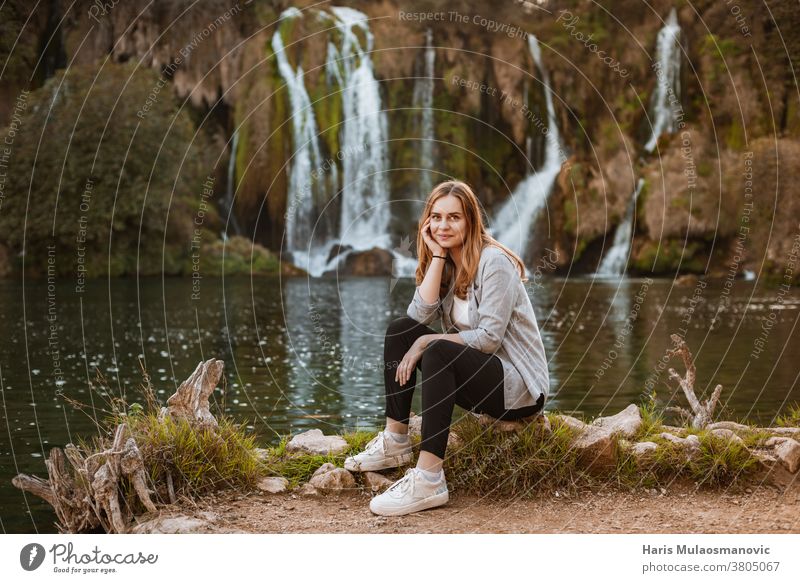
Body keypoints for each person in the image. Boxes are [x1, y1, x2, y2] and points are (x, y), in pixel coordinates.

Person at [344, 180, 550, 516]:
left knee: (436, 348)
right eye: (436, 217)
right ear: (426, 222)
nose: (443, 225)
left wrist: (428, 340)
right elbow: (416, 318)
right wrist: (437, 254)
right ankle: (396, 441)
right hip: (481, 379)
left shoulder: (494, 262)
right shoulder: (448, 264)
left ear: (471, 221)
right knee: (401, 331)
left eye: (454, 217)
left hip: (519, 390)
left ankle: (429, 479)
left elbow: (488, 339)